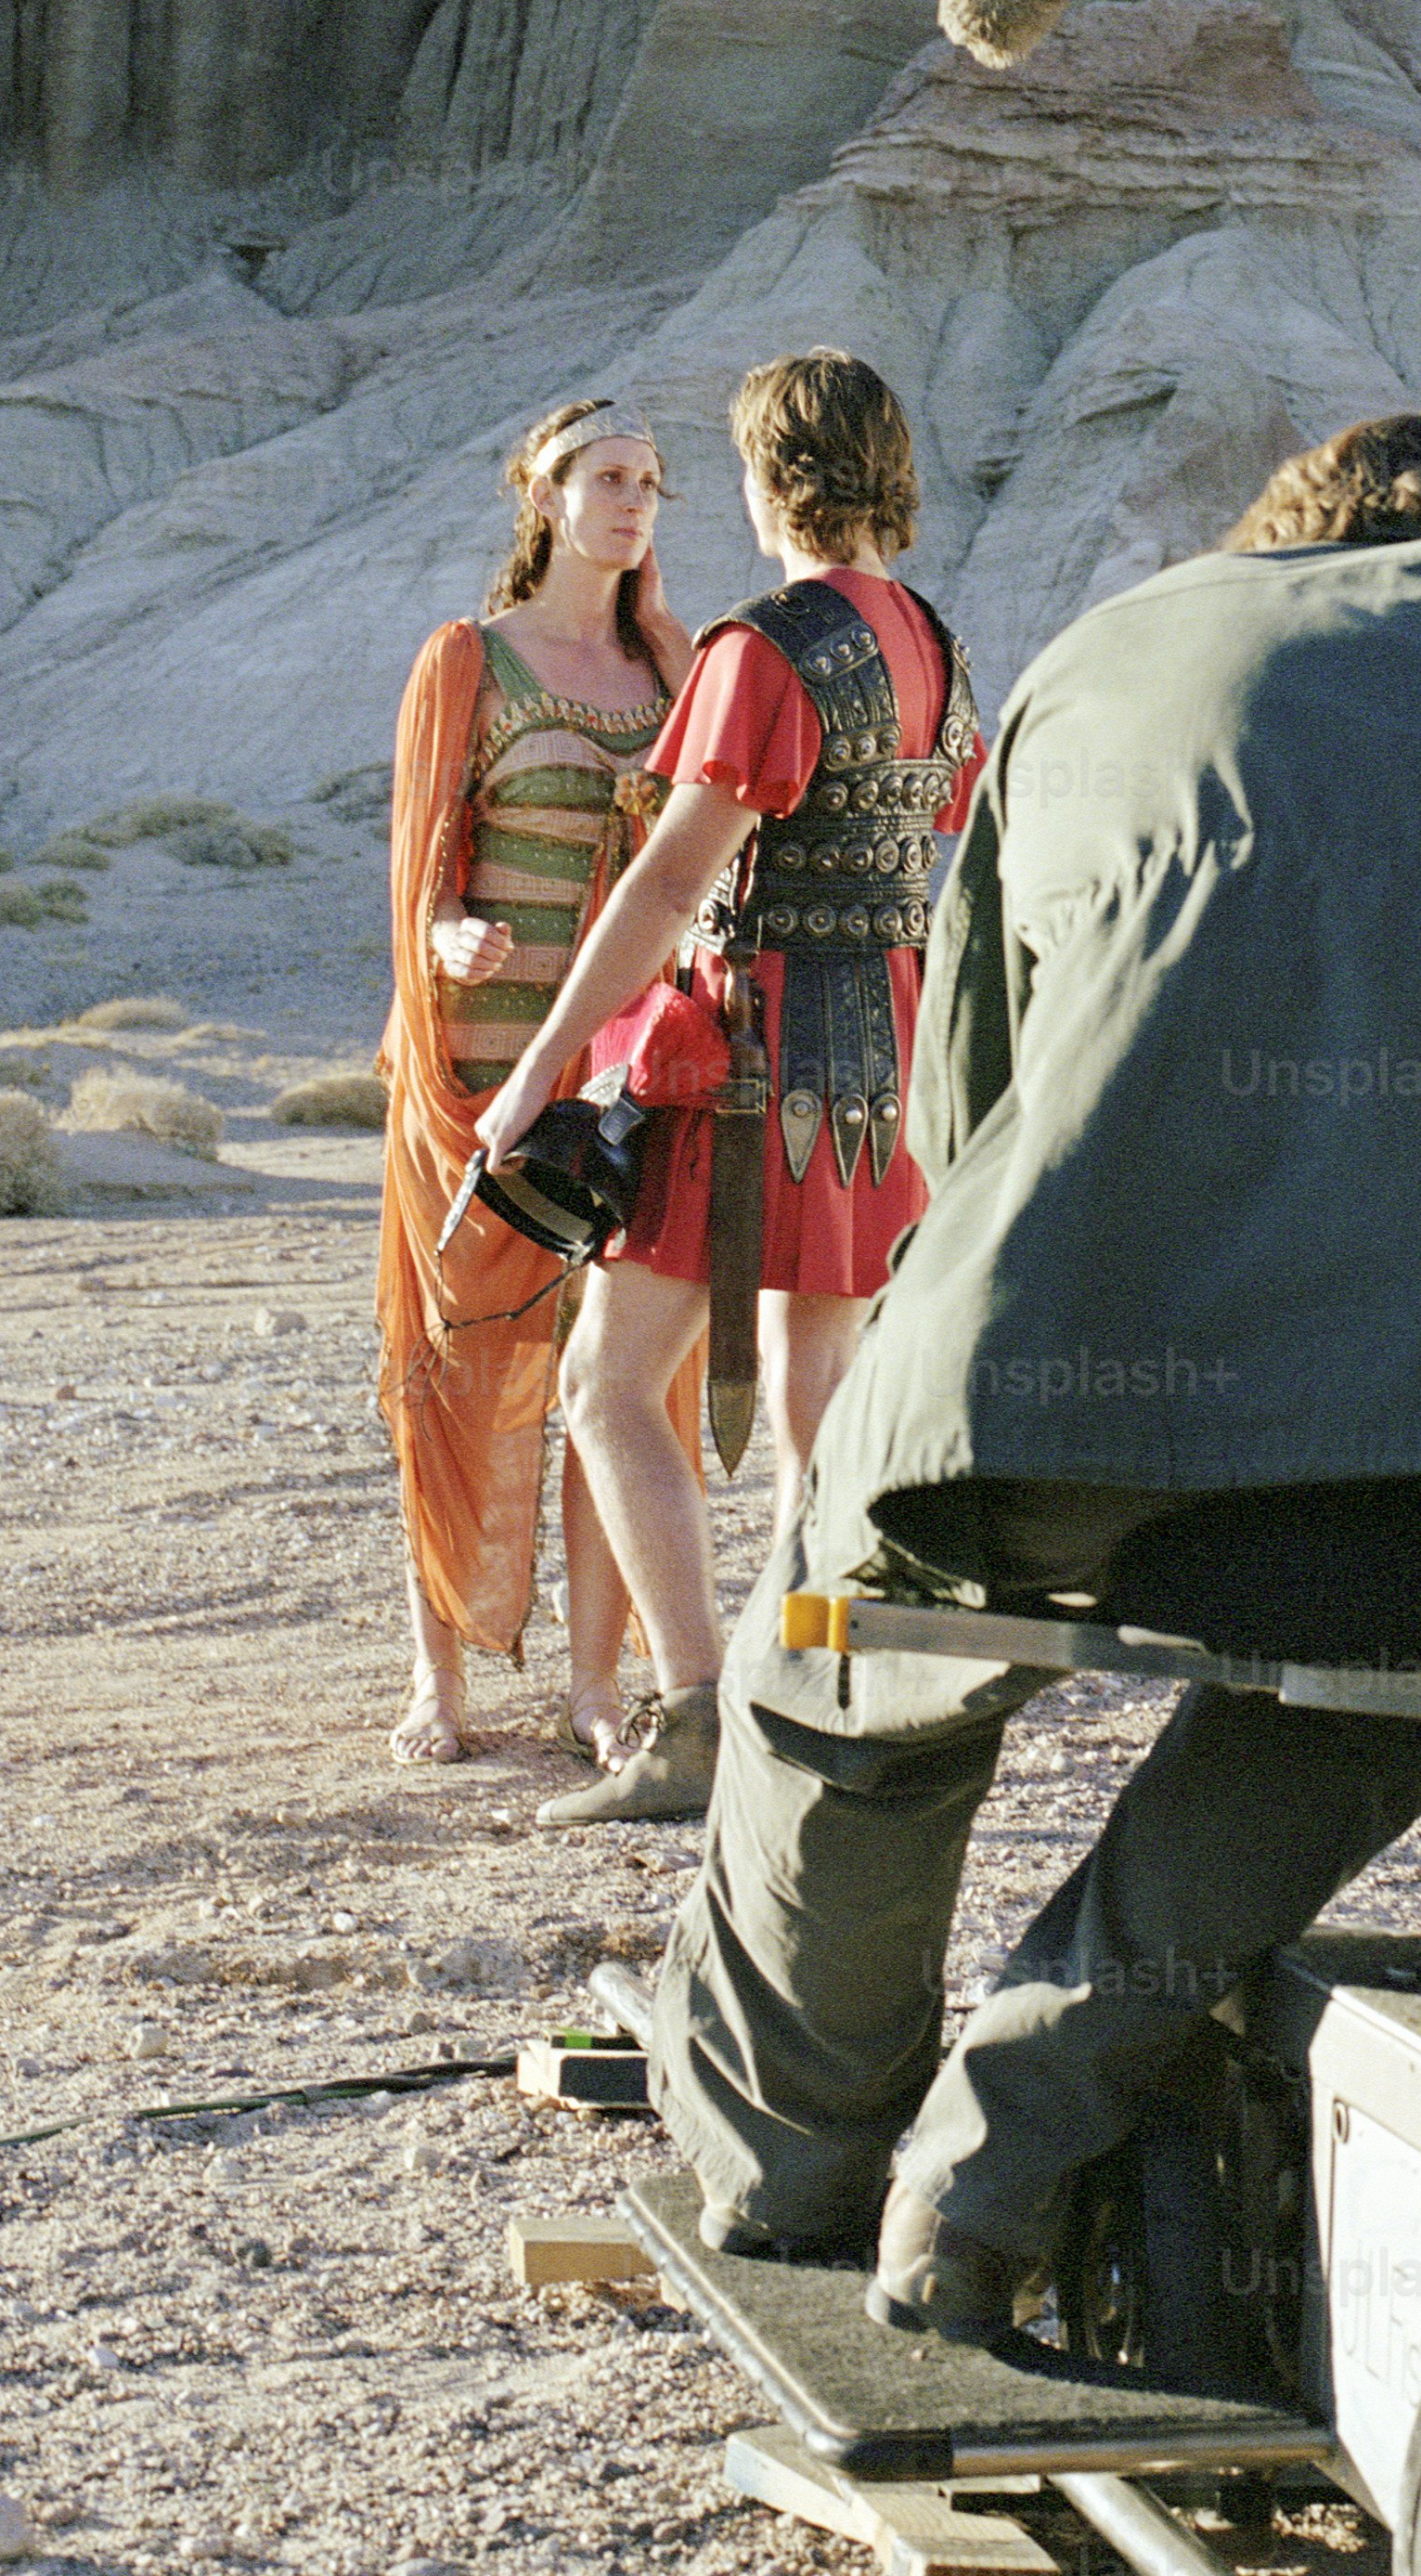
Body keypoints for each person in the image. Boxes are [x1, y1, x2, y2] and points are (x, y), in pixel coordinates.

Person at [642, 413, 1421, 2334]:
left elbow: (958, 1111)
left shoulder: (1107, 653)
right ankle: (987, 2162)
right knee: (1402, 1656)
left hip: (1051, 1404)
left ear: (1276, 546)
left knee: (840, 1684)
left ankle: (793, 2164)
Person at [471, 350, 981, 1827]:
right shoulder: (930, 640)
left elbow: (664, 883)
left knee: (609, 1383)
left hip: (752, 1061)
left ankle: (698, 1716)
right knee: (818, 1399)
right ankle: (836, 1708)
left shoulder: (763, 648)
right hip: (879, 1056)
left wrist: (542, 1071)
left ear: (777, 477)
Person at [374, 395, 695, 1764]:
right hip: (479, 1068)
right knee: (451, 1365)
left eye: (650, 482)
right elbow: (420, 864)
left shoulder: (676, 664)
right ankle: (435, 1678)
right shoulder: (470, 659)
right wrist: (448, 932)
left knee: (620, 1380)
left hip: (630, 1081)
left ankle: (597, 1685)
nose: (631, 501)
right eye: (607, 476)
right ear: (543, 494)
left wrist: (669, 638)